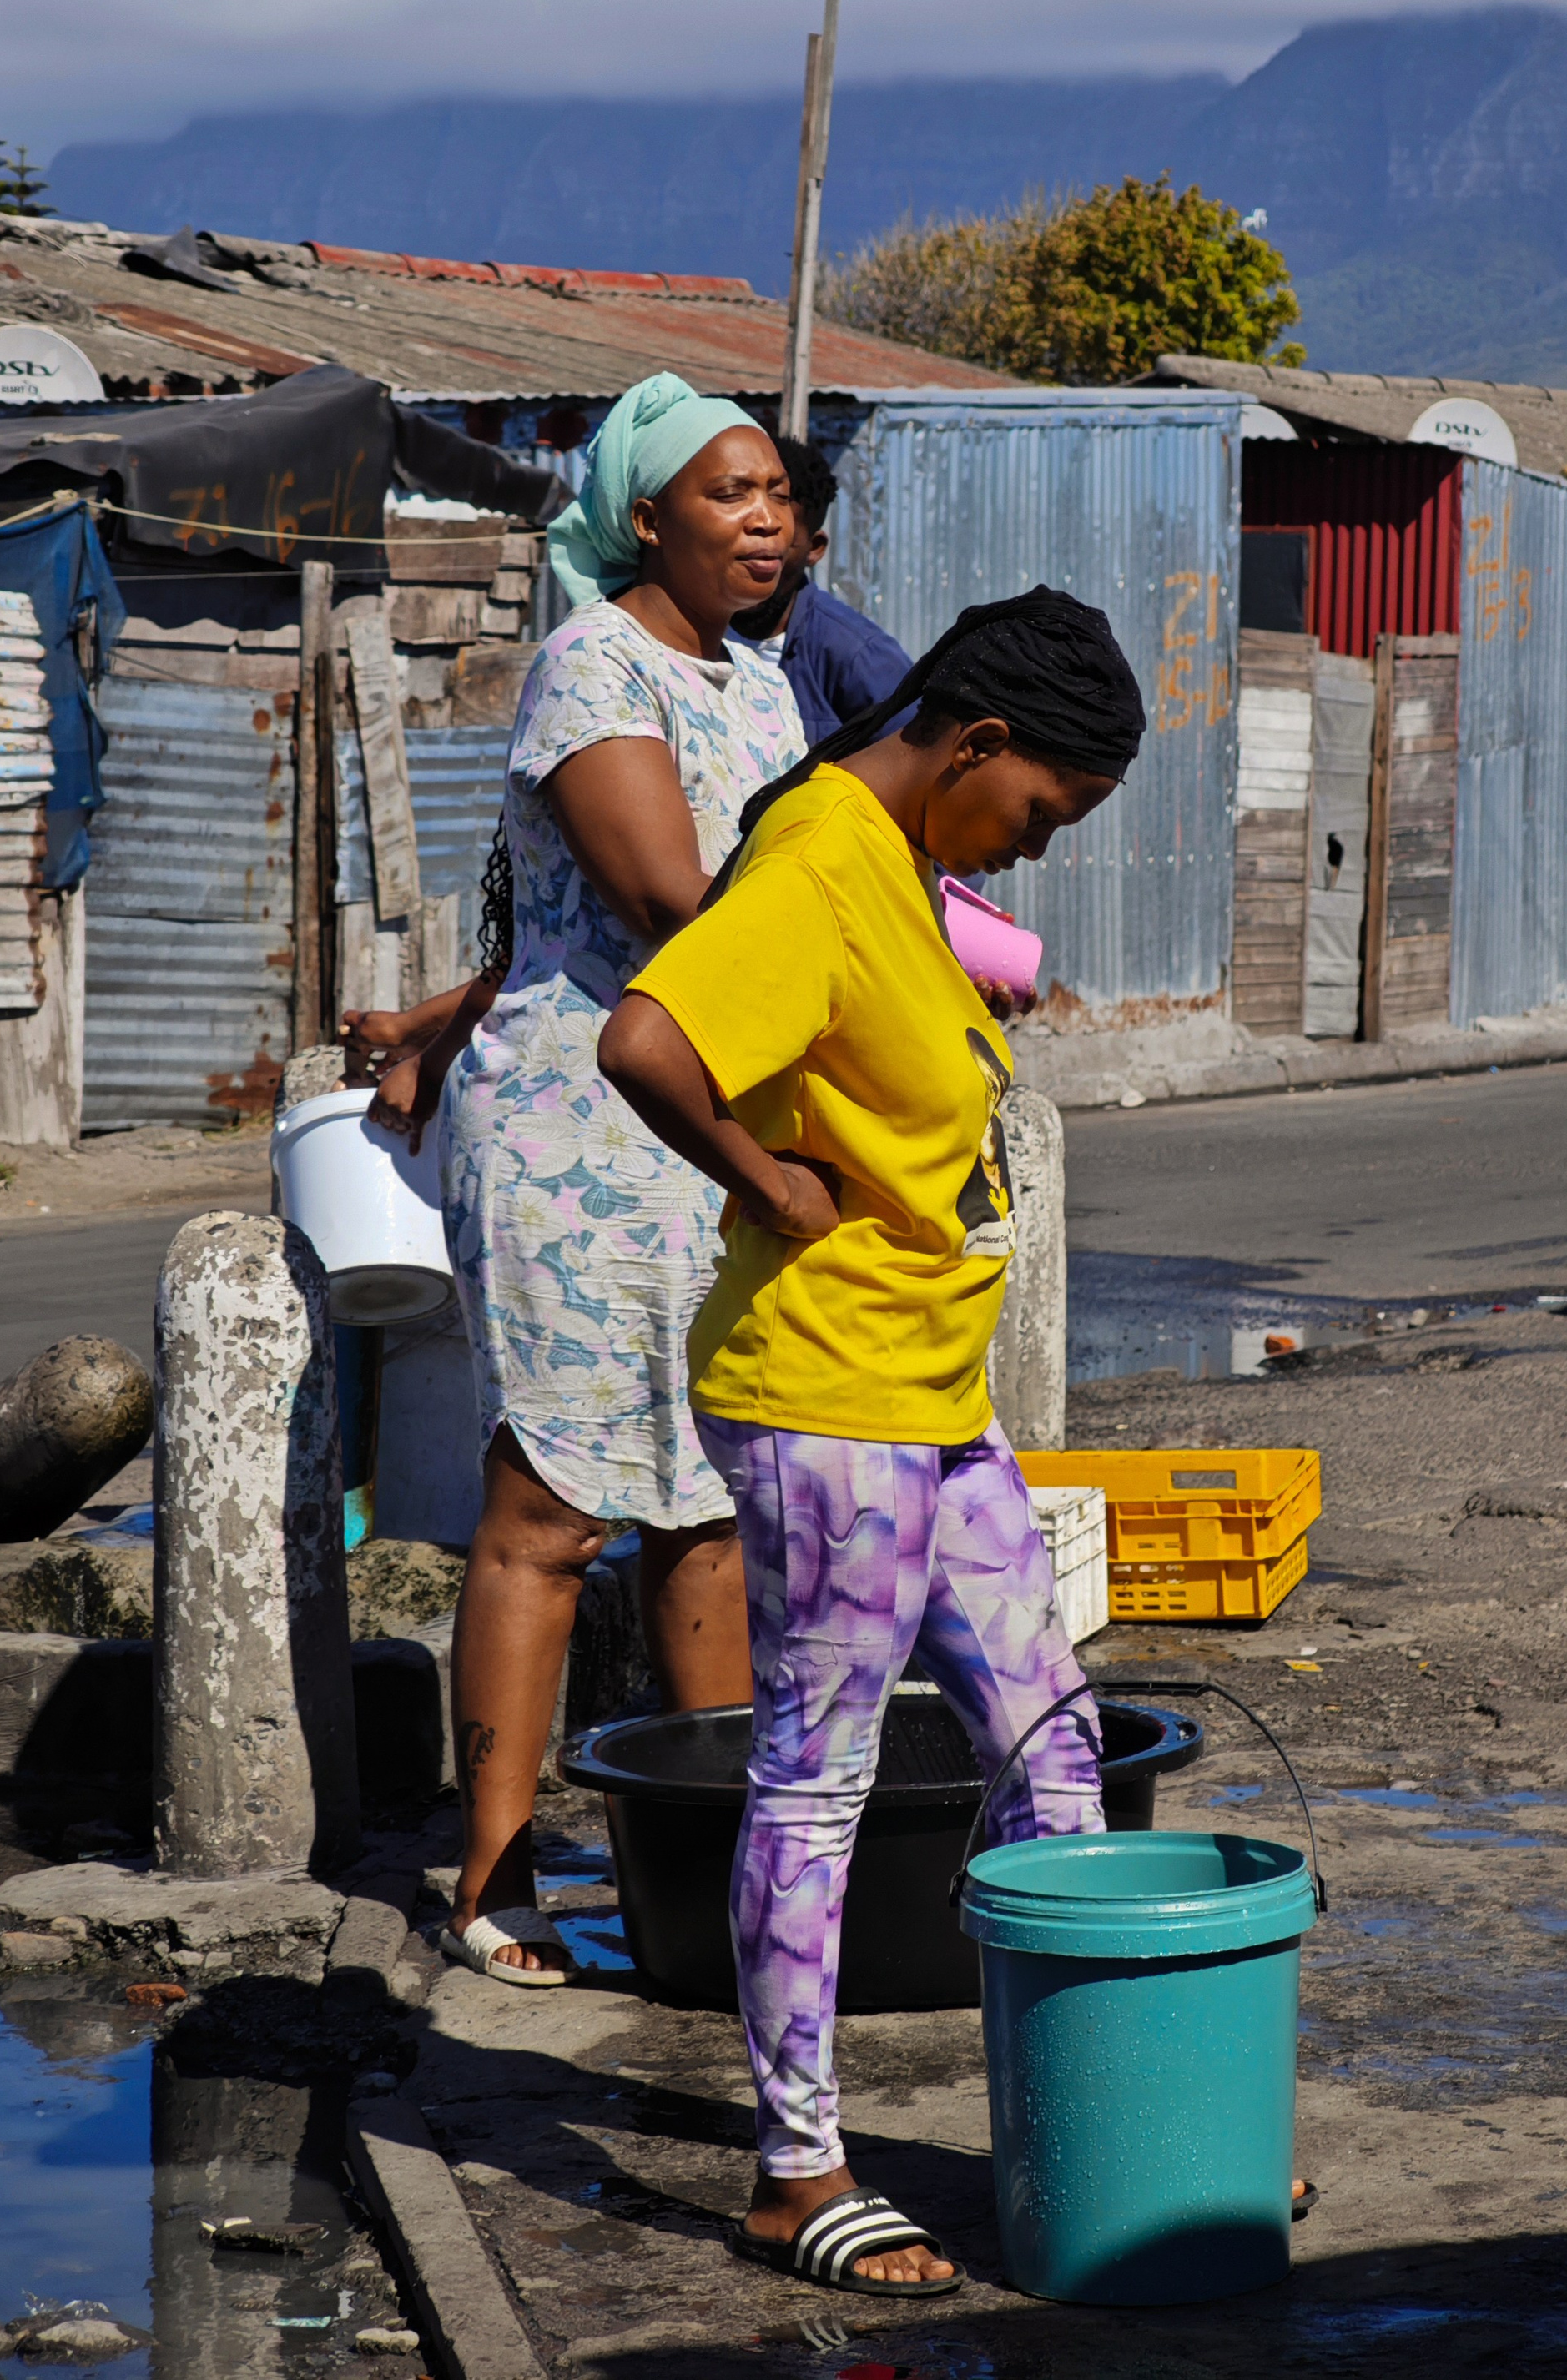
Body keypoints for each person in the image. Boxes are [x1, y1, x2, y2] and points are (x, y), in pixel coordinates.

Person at [596, 587, 1146, 2294]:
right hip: (819, 1397)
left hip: (929, 1393)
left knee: (1052, 1750)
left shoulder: (895, 856)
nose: (1035, 850)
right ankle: (794, 2163)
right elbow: (646, 1036)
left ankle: (1098, 2126)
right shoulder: (822, 861)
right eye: (1039, 812)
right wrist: (763, 1180)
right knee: (817, 1773)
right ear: (973, 744)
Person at [349, 370, 806, 1985]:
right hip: (576, 1138)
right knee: (550, 1506)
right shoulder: (590, 666)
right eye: (730, 492)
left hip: (705, 1129)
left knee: (703, 1503)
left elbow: (557, 934)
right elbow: (670, 901)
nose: (768, 518)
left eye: (779, 493)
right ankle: (489, 1876)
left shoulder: (760, 682)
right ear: (646, 516)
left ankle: (704, 1881)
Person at [730, 433, 913, 741]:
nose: (757, 554)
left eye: (780, 542)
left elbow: (916, 767)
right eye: (747, 534)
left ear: (814, 549)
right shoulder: (684, 633)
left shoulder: (858, 656)